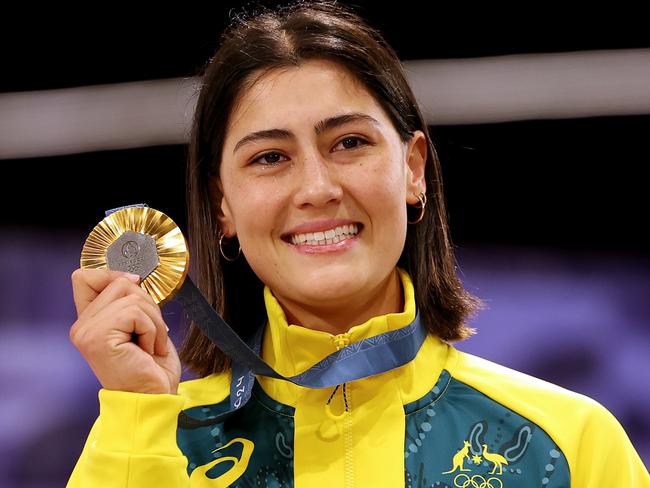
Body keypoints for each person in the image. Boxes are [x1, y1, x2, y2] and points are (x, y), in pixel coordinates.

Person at [67, 1, 649, 487]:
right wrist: (139, 411)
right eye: (270, 158)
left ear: (413, 170)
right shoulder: (156, 444)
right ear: (224, 207)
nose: (317, 188)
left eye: (348, 143)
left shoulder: (569, 447)